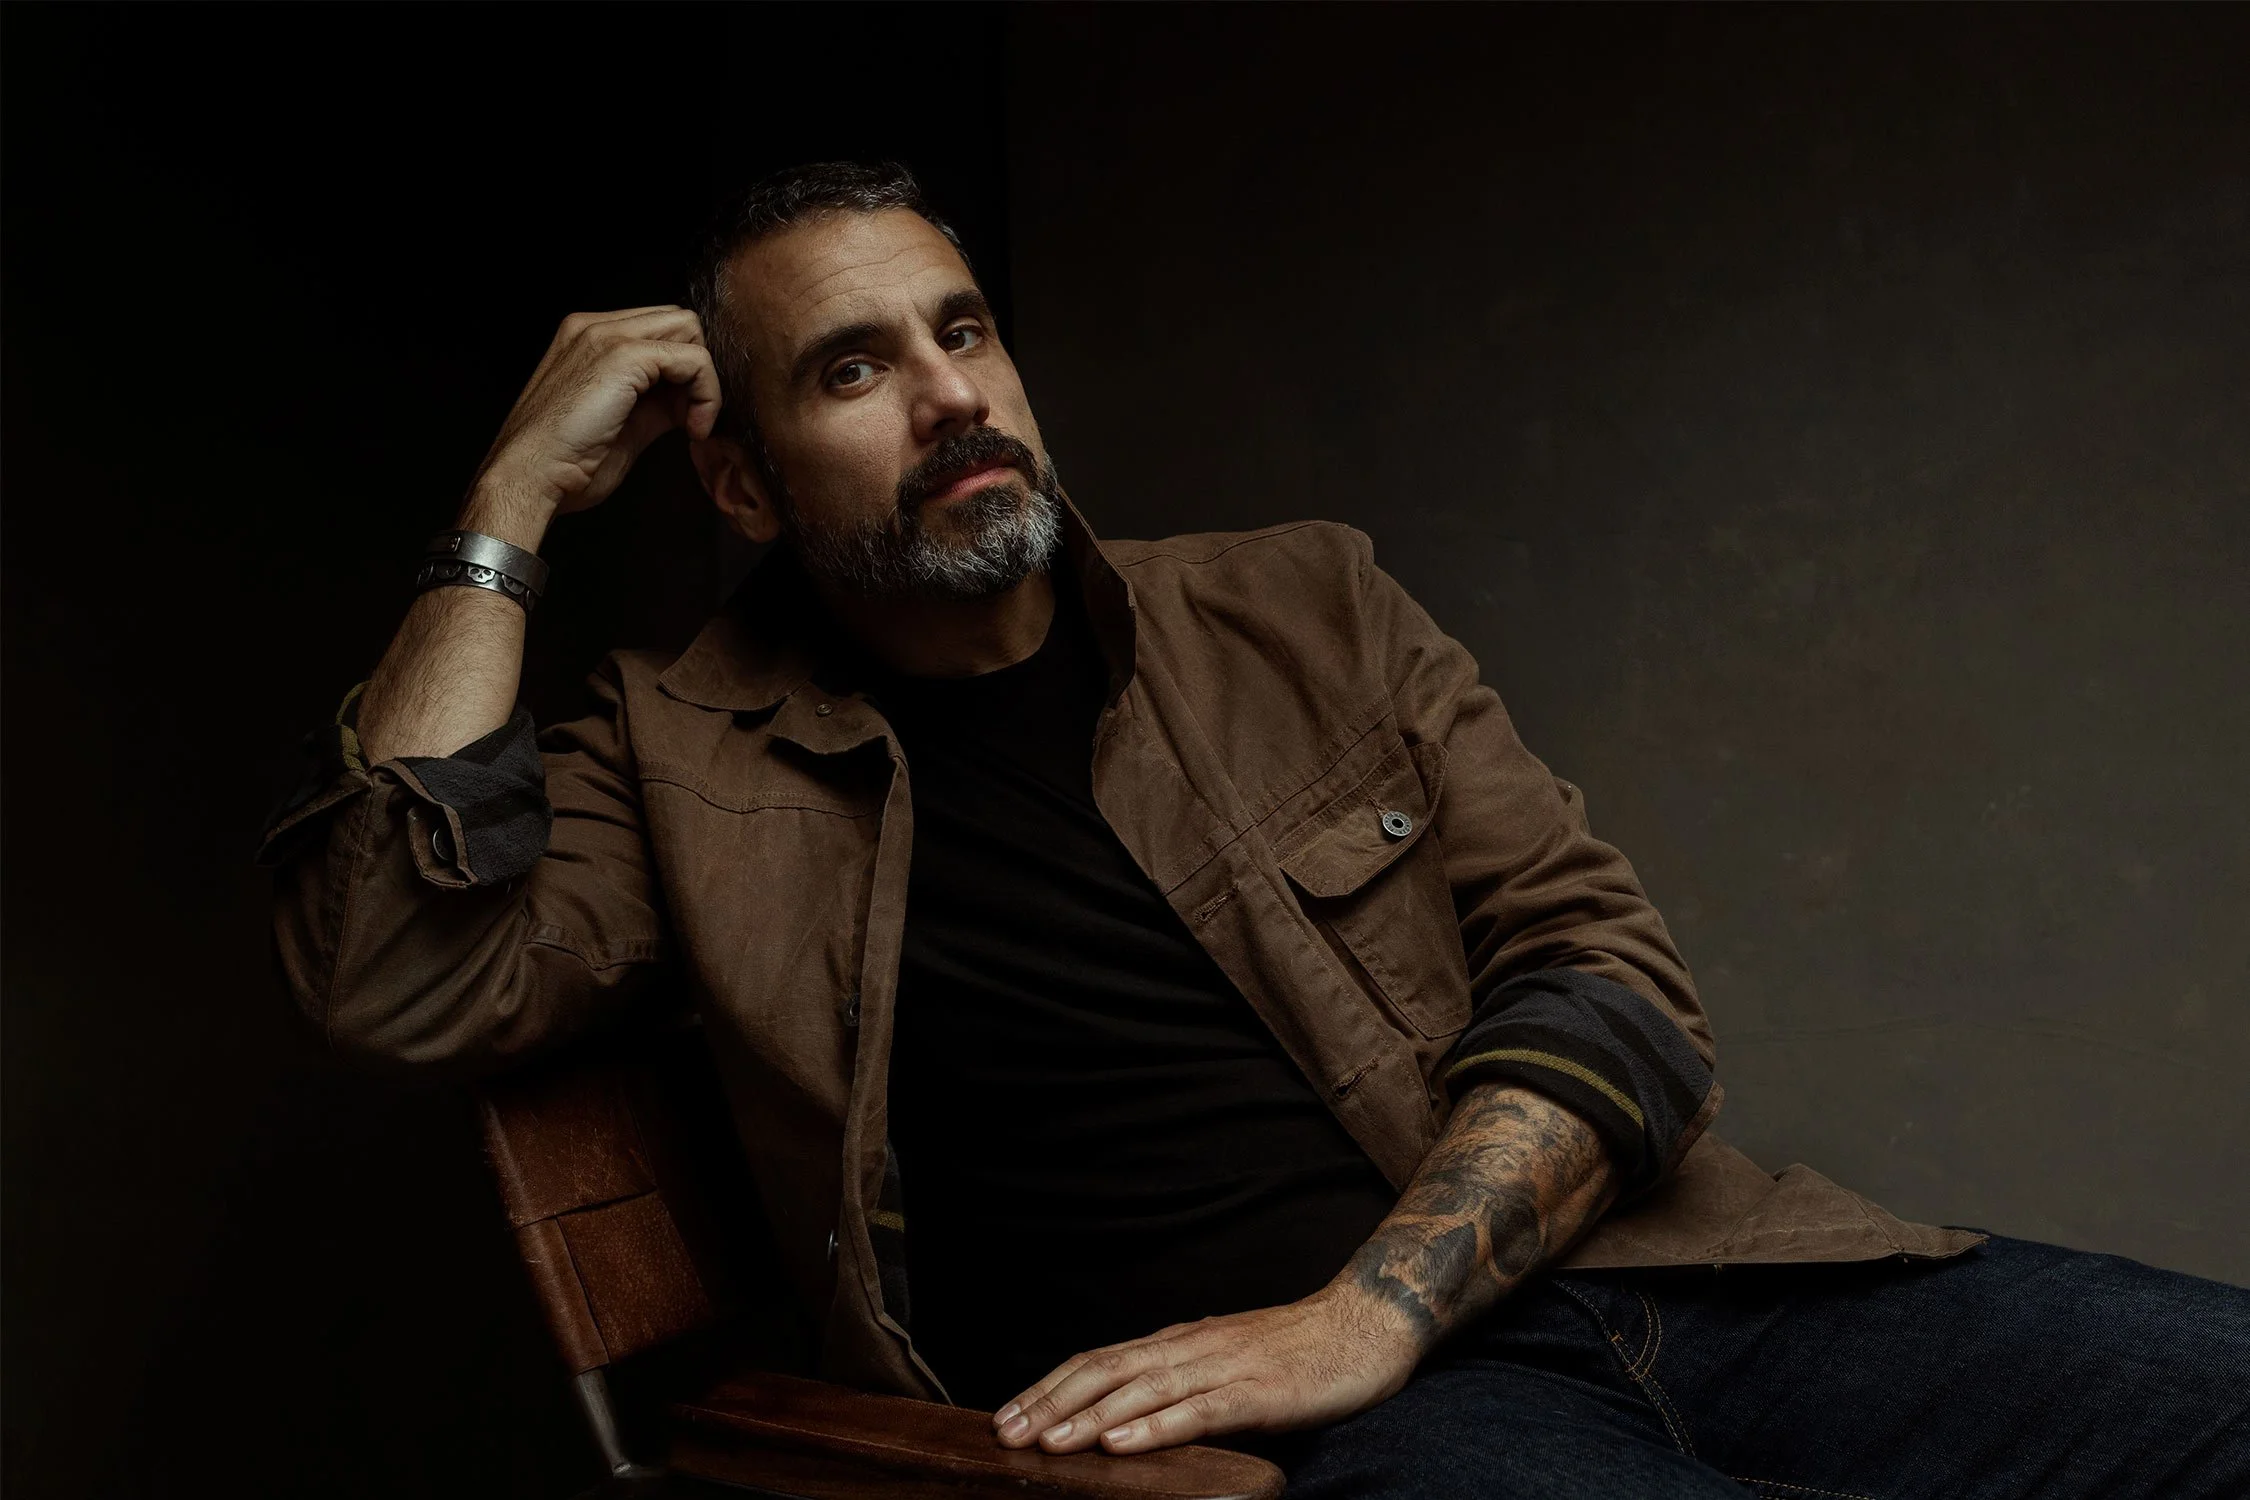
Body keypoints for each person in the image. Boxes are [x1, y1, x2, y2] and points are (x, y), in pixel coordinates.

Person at [262, 161, 2249, 1498]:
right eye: (853, 369)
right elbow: (387, 969)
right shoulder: (677, 753)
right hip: (1277, 1445)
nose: (952, 398)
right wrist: (511, 499)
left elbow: (1615, 992)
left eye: (964, 331)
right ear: (748, 482)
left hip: (1662, 1285)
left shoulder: (1306, 603)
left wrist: (1362, 1316)